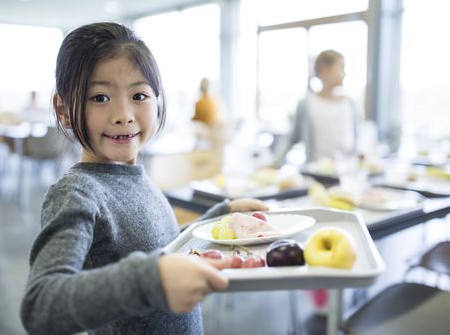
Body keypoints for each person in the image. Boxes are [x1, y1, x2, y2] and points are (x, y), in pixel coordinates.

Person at [20, 22, 268, 335]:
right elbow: (42, 307)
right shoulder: (77, 192)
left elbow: (159, 247)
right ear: (64, 109)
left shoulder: (134, 175)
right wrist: (151, 280)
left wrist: (216, 221)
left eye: (139, 95)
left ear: (157, 100)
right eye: (100, 98)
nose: (124, 114)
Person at [274, 49, 361, 166]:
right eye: (341, 67)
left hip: (348, 171)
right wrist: (276, 163)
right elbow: (292, 138)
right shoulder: (307, 103)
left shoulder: (350, 103)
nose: (344, 73)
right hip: (317, 172)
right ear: (324, 69)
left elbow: (355, 140)